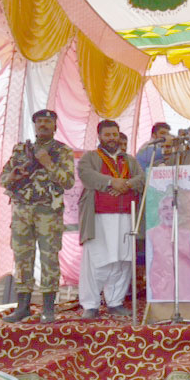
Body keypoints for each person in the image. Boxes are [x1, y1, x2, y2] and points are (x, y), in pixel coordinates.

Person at [0, 109, 75, 323]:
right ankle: (22, 307)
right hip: (22, 210)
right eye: (39, 121)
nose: (43, 125)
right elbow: (3, 178)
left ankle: (48, 309)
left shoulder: (61, 151)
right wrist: (12, 176)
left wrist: (48, 163)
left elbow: (68, 181)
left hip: (48, 212)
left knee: (49, 257)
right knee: (22, 257)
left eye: (47, 122)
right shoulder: (21, 149)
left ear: (55, 126)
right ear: (34, 125)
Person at [77, 120, 144, 319]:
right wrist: (110, 182)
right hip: (99, 218)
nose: (112, 139)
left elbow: (141, 178)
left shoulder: (129, 160)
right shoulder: (90, 157)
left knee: (123, 261)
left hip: (125, 217)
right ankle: (91, 305)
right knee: (97, 261)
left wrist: (127, 184)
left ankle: (115, 302)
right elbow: (86, 175)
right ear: (99, 136)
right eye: (107, 135)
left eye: (114, 134)